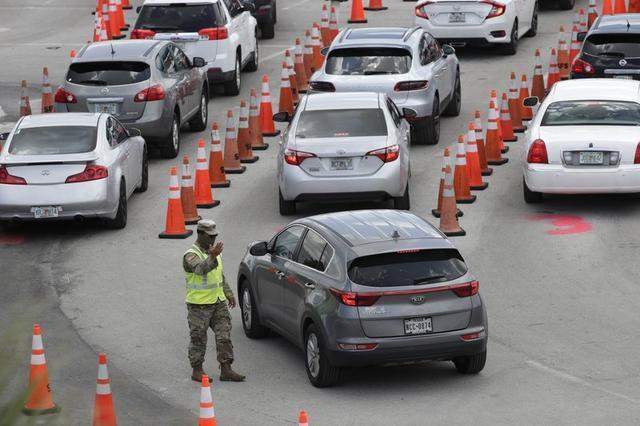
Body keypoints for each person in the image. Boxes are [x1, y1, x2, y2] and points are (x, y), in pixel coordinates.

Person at [183, 219, 245, 382]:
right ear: (200, 234)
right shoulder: (191, 254)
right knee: (198, 338)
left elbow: (219, 275)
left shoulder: (214, 251)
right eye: (209, 236)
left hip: (218, 302)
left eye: (215, 236)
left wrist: (229, 293)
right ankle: (197, 370)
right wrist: (212, 255)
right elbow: (201, 270)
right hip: (199, 305)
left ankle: (226, 369)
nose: (213, 239)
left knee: (224, 335)